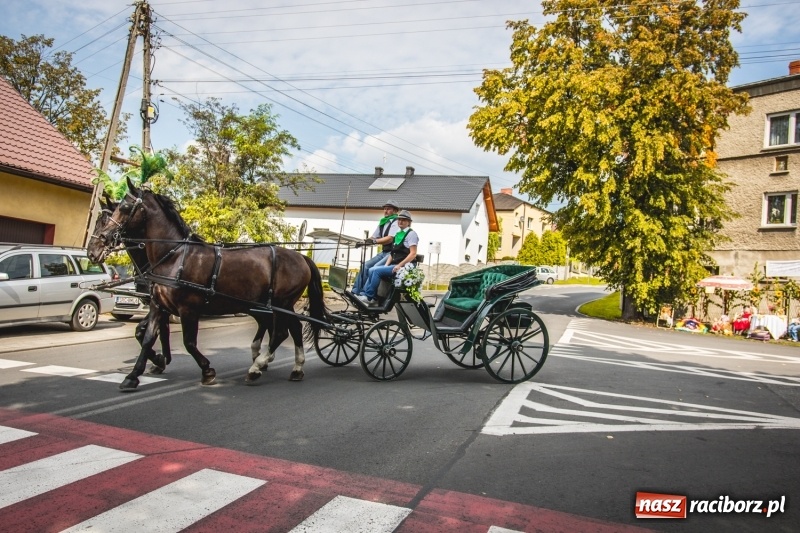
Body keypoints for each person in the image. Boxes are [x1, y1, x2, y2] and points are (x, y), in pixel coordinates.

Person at [358, 210, 419, 305]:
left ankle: (370, 297)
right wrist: (386, 265)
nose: (400, 222)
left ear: (409, 222)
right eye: (399, 219)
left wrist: (399, 265)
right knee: (371, 269)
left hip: (405, 267)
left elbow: (413, 254)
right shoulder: (398, 233)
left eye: (403, 220)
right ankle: (372, 296)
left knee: (376, 271)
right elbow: (392, 253)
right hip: (394, 264)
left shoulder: (411, 234)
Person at [351, 200, 400, 295]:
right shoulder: (383, 222)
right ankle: (355, 291)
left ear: (395, 211)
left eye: (388, 209)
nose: (385, 211)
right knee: (365, 266)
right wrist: (362, 242)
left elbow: (390, 238)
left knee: (374, 268)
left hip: (392, 253)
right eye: (385, 209)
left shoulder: (396, 221)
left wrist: (374, 241)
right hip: (383, 252)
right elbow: (374, 237)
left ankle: (365, 294)